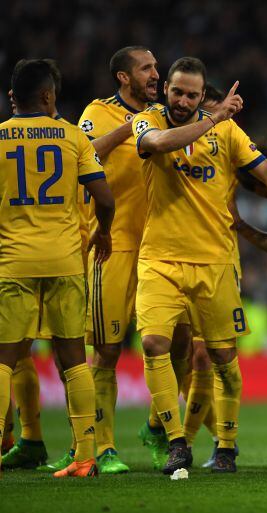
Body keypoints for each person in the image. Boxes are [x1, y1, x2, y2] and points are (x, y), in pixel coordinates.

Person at [132, 56, 267, 474]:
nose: (182, 99)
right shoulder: (147, 120)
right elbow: (156, 145)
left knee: (222, 358)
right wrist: (211, 119)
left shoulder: (228, 132)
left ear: (200, 93)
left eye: (192, 94)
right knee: (155, 344)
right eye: (177, 91)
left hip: (214, 261)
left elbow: (265, 172)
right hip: (159, 258)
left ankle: (226, 446)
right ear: (167, 89)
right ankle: (177, 442)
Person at [0, 58, 115, 477]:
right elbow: (104, 199)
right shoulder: (71, 138)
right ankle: (86, 455)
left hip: (13, 261)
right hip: (66, 260)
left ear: (15, 96)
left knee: (5, 359)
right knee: (73, 359)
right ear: (48, 96)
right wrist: (102, 233)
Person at [74, 45, 162, 474]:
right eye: (146, 68)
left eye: (156, 67)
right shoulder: (98, 110)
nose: (155, 74)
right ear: (124, 77)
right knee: (106, 350)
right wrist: (134, 127)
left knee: (177, 345)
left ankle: (157, 427)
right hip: (113, 245)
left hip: (162, 249)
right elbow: (85, 154)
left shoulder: (166, 113)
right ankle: (103, 447)